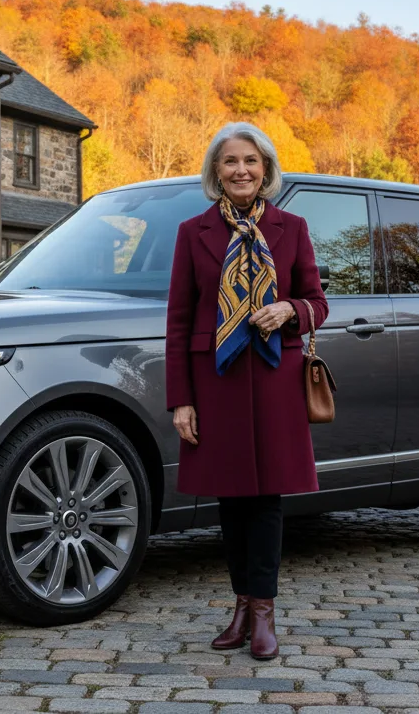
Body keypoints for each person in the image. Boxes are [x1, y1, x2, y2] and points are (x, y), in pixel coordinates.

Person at [164, 122, 329, 660]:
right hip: (215, 382)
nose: (241, 170)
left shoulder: (292, 227)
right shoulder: (193, 232)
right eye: (231, 161)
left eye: (251, 161)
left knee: (266, 500)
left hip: (276, 381)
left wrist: (290, 310)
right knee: (230, 499)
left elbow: (318, 303)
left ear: (266, 170)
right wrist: (181, 399)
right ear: (216, 170)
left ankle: (263, 614)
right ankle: (240, 607)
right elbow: (178, 320)